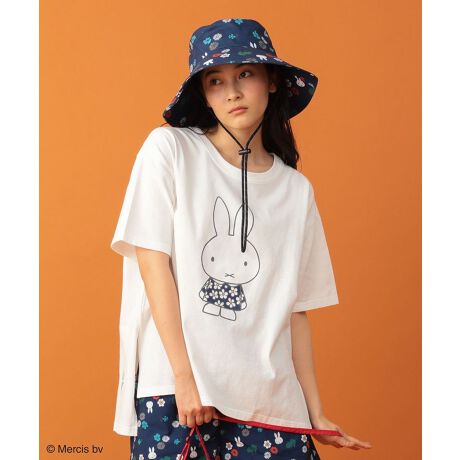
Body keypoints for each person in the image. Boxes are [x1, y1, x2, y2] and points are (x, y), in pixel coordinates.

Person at [110, 18, 373, 459]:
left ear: (271, 81)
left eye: (245, 74)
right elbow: (153, 264)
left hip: (270, 402)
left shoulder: (295, 191)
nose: (231, 92)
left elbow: (294, 311)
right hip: (180, 394)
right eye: (215, 80)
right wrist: (184, 378)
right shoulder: (170, 150)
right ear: (203, 93)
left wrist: (315, 412)